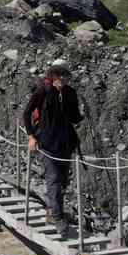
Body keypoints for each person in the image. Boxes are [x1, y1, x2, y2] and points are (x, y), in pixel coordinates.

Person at [23, 64, 83, 236]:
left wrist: (81, 114)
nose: (62, 78)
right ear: (52, 75)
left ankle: (51, 212)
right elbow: (26, 113)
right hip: (46, 142)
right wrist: (31, 136)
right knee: (54, 179)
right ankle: (58, 218)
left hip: (65, 142)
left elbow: (74, 117)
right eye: (59, 75)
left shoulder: (70, 93)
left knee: (62, 181)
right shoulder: (43, 91)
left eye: (65, 75)